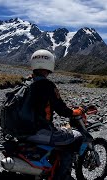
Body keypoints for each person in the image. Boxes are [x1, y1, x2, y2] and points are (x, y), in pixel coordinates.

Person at [26, 49, 84, 180]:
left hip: (19, 130)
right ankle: (63, 176)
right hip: (39, 131)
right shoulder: (47, 85)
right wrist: (73, 112)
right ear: (49, 64)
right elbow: (61, 109)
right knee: (76, 137)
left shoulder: (25, 82)